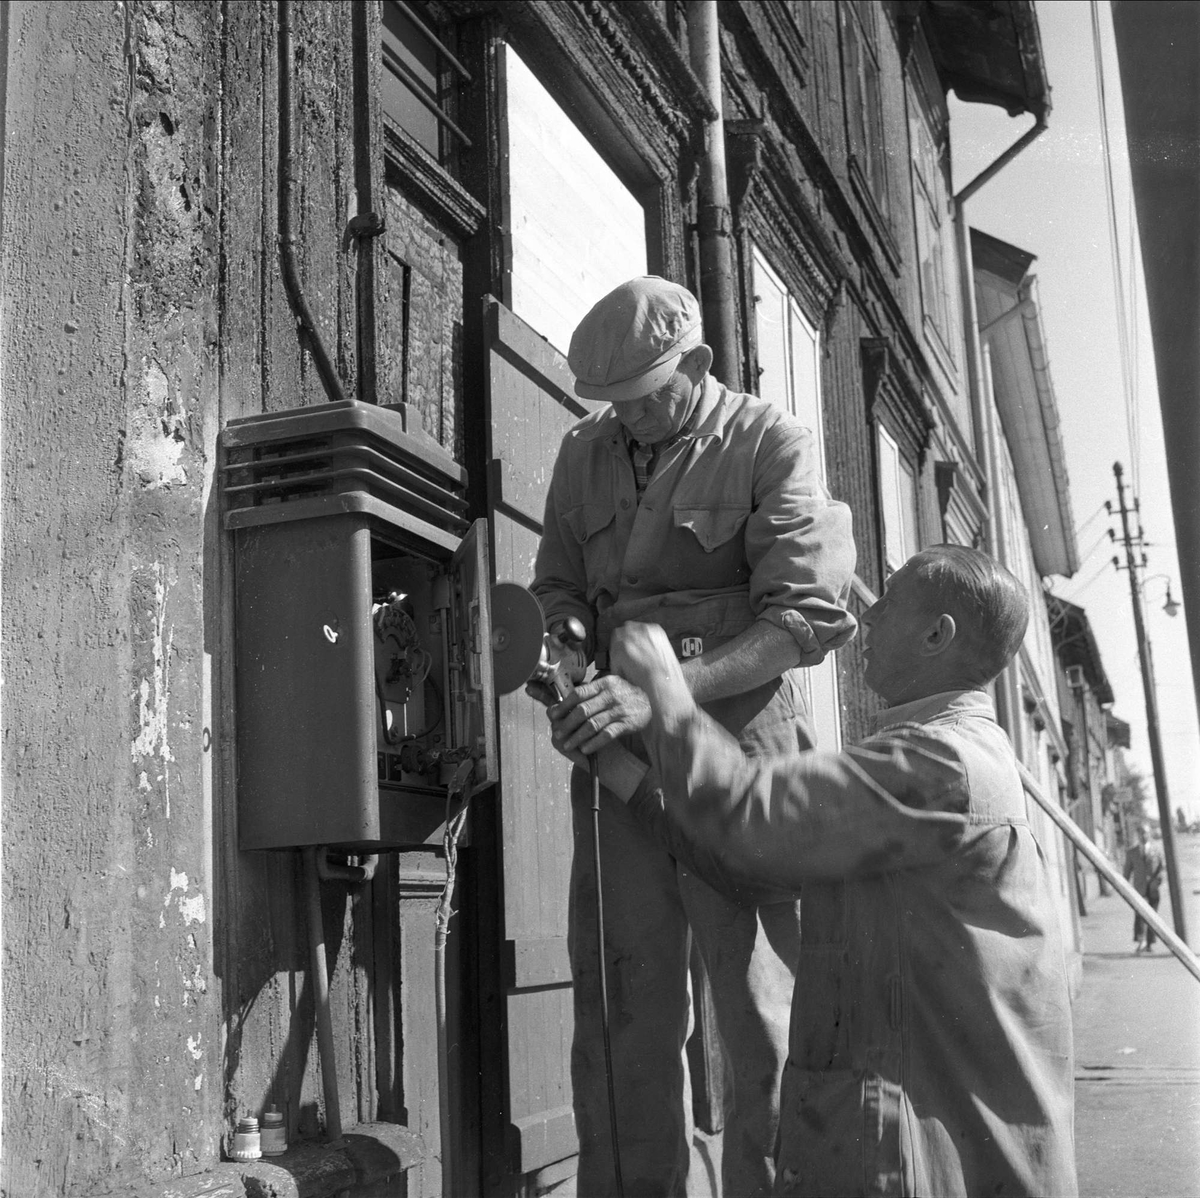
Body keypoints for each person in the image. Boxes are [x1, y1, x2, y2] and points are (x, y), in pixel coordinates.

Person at [558, 546, 1077, 1198]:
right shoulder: (934, 759)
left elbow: (749, 816)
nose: (864, 621)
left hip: (928, 1158)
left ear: (936, 635)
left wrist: (666, 685)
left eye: (885, 604)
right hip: (905, 1147)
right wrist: (618, 771)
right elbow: (751, 869)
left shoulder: (942, 764)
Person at [530, 276, 857, 1196]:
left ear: (698, 364)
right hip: (618, 772)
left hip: (741, 761)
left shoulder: (769, 442)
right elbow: (559, 586)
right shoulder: (582, 454)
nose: (627, 422)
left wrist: (666, 696)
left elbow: (803, 622)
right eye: (612, 406)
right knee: (621, 1013)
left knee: (762, 1017)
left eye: (644, 400)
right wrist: (566, 651)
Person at [1123, 823, 1165, 952]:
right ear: (1138, 835)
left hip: (1153, 888)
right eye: (1141, 833)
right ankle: (1141, 941)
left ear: (1150, 833)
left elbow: (1162, 868)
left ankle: (1150, 943)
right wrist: (1126, 887)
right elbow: (1127, 871)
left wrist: (1157, 881)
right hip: (1139, 888)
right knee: (1140, 915)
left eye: (1146, 832)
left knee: (1153, 916)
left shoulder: (1156, 850)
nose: (1144, 835)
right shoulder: (1132, 852)